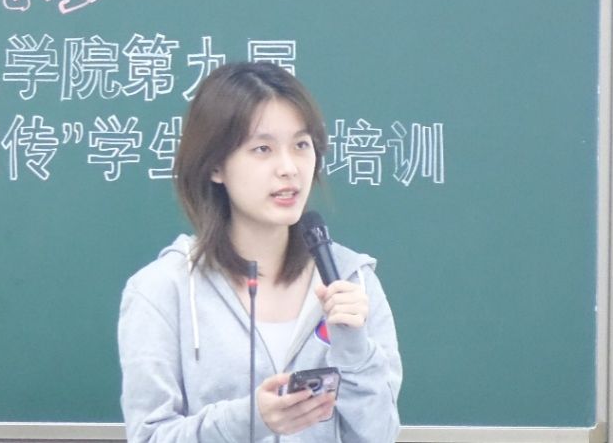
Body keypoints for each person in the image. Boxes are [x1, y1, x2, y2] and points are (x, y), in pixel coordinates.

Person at [118, 62, 402, 442]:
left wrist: (354, 351)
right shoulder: (161, 290)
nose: (289, 168)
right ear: (215, 166)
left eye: (301, 145)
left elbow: (379, 435)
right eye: (263, 149)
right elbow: (150, 437)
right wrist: (250, 420)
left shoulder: (351, 281)